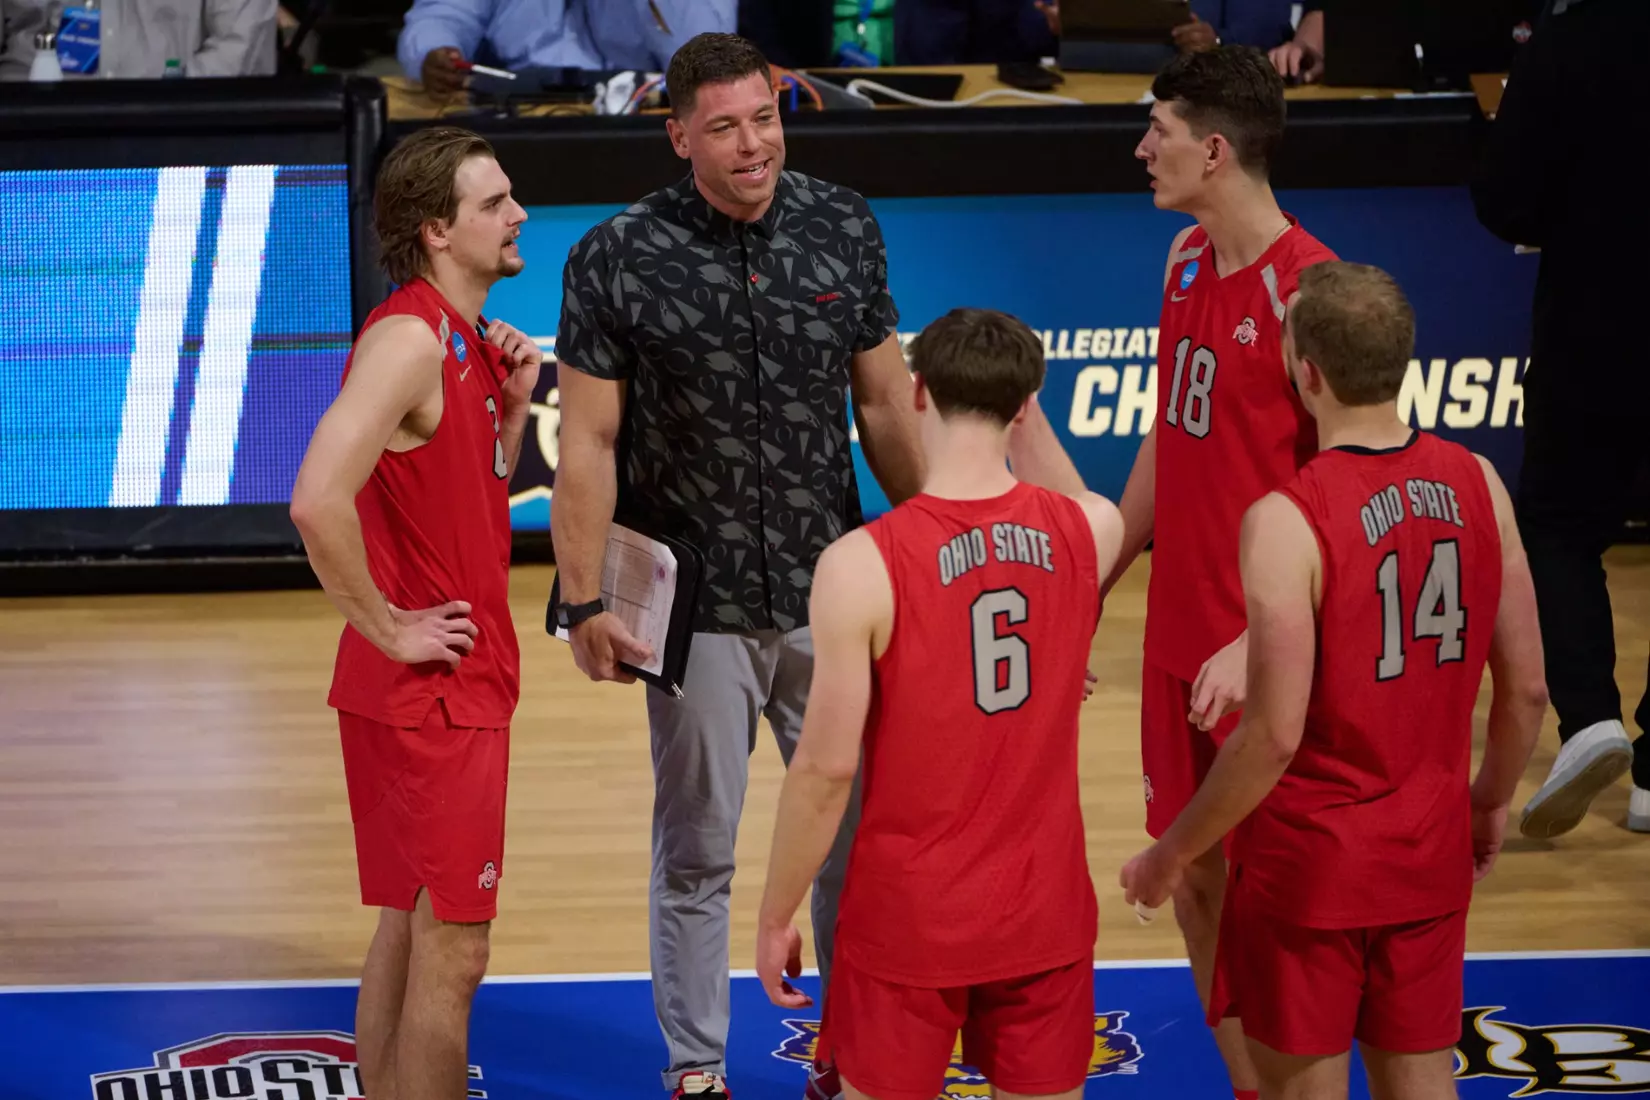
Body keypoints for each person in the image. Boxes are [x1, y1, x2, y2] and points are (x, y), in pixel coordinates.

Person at [550, 30, 926, 1100]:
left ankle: (851, 1052)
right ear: (679, 136)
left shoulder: (845, 224)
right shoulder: (615, 254)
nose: (753, 143)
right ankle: (697, 1067)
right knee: (697, 849)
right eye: (724, 127)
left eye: (764, 118)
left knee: (854, 837)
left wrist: (934, 545)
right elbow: (588, 444)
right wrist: (583, 598)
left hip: (834, 596)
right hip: (696, 609)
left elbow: (884, 405)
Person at [1121, 261, 1547, 1100]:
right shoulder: (1481, 483)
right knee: (1422, 1081)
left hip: (1309, 871)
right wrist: (1488, 801)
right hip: (1427, 854)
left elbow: (1272, 738)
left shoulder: (1288, 518)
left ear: (1305, 373)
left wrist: (1174, 850)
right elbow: (1527, 690)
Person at [756, 307, 1124, 1100]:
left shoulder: (860, 563)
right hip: (1043, 909)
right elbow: (1076, 498)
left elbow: (824, 772)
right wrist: (1023, 404)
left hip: (909, 919)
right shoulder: (1091, 531)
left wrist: (775, 913)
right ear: (1025, 406)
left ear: (919, 391)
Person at [288, 126, 538, 1100]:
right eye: (494, 203)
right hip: (431, 697)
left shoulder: (460, 337)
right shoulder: (409, 341)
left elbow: (459, 502)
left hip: (437, 691)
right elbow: (317, 500)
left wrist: (511, 413)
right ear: (437, 229)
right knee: (456, 948)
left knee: (408, 920)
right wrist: (390, 625)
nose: (518, 215)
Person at [1111, 44, 1339, 1100]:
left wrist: (1264, 635)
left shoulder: (1313, 292)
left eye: (1156, 129)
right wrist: (1102, 572)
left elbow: (1349, 494)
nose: (1141, 147)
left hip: (1262, 647)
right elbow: (1170, 436)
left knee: (1271, 895)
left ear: (1212, 150)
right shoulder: (1183, 260)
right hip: (1176, 634)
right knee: (1194, 880)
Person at [1471, 0, 1650, 838]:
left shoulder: (1571, 38)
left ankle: (1591, 721)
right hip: (1597, 322)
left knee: (1558, 525)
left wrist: (1586, 213)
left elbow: (1505, 199)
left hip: (1594, 326)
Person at [399, 0, 736, 96]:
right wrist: (433, 52)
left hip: (637, 116)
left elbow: (705, 59)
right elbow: (442, 15)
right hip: (518, 115)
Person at [0, 0, 276, 79]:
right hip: (43, 130)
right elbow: (21, 27)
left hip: (169, 139)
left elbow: (237, 50)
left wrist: (161, 109)